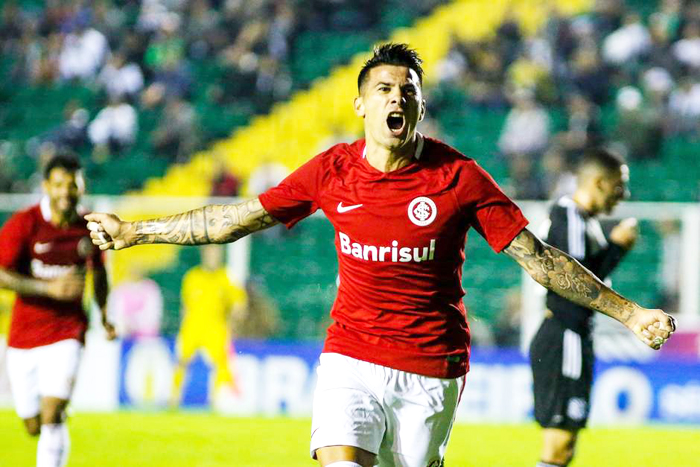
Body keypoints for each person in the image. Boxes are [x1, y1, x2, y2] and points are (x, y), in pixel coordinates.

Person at [85, 44, 675, 467]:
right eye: (384, 89)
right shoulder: (331, 171)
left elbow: (539, 259)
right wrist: (136, 231)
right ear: (361, 105)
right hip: (351, 356)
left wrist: (630, 313)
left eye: (407, 91)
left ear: (419, 107)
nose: (397, 98)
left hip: (433, 366)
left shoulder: (459, 177)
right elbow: (234, 220)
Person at [0, 154, 116, 467]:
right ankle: (55, 413)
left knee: (52, 415)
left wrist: (104, 314)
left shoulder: (89, 227)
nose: (66, 192)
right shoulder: (25, 224)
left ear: (82, 187)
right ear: (46, 187)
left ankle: (60, 411)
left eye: (73, 185)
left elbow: (100, 274)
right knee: (32, 425)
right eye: (60, 185)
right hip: (23, 337)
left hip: (68, 330)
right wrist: (46, 288)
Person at [530, 148, 641, 467]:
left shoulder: (581, 221)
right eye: (619, 185)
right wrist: (617, 247)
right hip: (566, 335)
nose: (624, 195)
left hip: (571, 336)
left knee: (564, 442)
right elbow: (576, 283)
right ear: (598, 182)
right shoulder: (570, 215)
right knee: (559, 443)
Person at [170, 244, 246, 407]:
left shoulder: (225, 277)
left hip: (215, 327)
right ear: (204, 254)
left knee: (220, 363)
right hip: (192, 325)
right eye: (210, 253)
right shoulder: (192, 277)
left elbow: (239, 303)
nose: (213, 257)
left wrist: (233, 322)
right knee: (182, 361)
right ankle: (173, 399)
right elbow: (185, 305)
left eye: (216, 254)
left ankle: (216, 401)